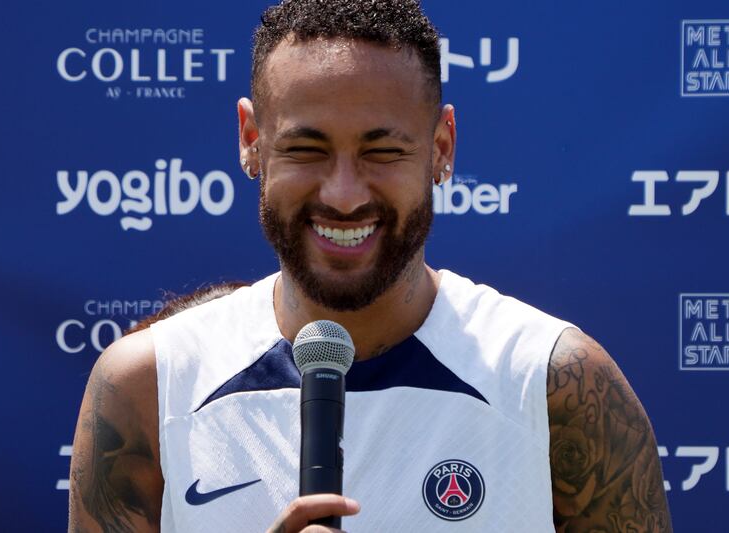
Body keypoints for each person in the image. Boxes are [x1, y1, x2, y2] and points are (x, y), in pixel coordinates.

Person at [68, 0, 673, 531]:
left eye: (382, 150)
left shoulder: (552, 382)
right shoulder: (149, 385)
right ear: (251, 139)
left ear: (441, 147)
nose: (345, 193)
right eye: (307, 149)